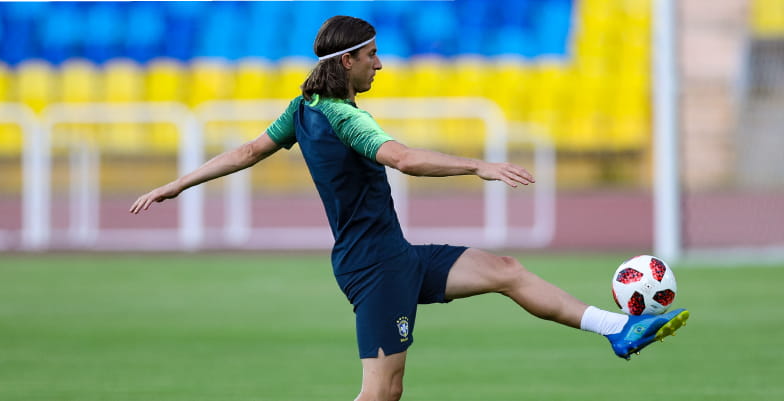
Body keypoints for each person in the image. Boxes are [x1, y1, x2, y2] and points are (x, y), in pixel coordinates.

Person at [130, 15, 689, 401]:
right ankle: (618, 331)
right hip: (375, 268)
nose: (380, 64)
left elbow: (250, 150)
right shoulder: (344, 117)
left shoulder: (303, 109)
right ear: (346, 60)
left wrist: (179, 183)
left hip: (390, 256)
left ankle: (618, 329)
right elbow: (401, 158)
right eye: (372, 55)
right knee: (382, 391)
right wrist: (477, 165)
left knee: (505, 270)